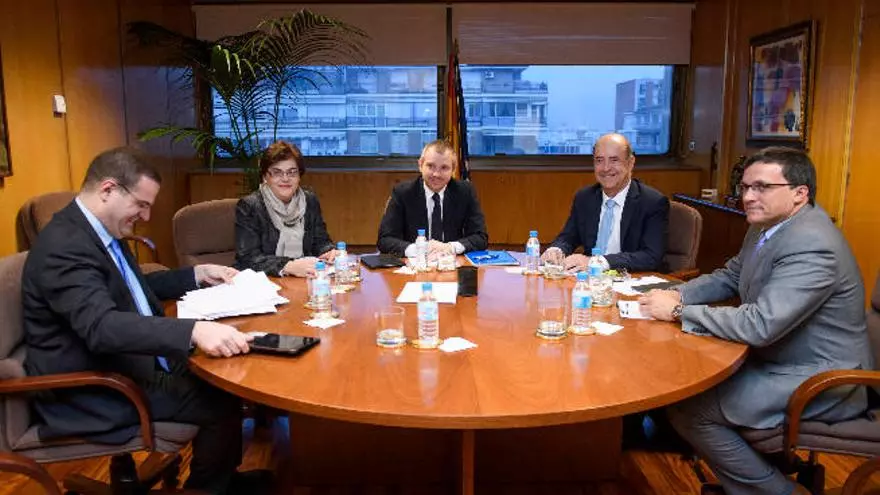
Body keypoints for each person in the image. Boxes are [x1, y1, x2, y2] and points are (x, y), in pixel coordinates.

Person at [22, 147, 268, 494]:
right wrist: (194, 330)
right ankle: (207, 488)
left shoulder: (98, 231)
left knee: (227, 378)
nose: (146, 215)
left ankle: (224, 481)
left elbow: (132, 288)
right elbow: (102, 327)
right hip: (94, 387)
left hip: (128, 361)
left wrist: (195, 274)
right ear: (108, 190)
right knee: (218, 400)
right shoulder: (64, 247)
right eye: (141, 204)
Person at [639, 147, 870, 495]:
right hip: (778, 359)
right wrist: (671, 293)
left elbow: (761, 324)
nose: (748, 196)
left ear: (799, 193)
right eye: (745, 187)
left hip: (822, 379)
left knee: (690, 408)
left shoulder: (813, 244)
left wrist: (676, 312)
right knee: (679, 378)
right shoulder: (767, 225)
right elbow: (730, 276)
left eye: (762, 187)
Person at [541, 133, 669, 272]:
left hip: (629, 278)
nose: (606, 168)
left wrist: (598, 262)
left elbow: (651, 256)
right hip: (589, 279)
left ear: (630, 163)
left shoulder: (652, 202)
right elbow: (568, 237)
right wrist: (556, 250)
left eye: (614, 160)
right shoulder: (585, 198)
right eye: (599, 160)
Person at [235, 140, 337, 277]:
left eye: (292, 172)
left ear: (299, 176)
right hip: (267, 281)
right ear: (265, 176)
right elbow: (248, 258)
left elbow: (321, 241)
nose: (285, 178)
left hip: (305, 277)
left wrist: (329, 252)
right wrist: (288, 266)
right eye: (277, 173)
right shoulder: (250, 206)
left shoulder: (309, 200)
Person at [377, 139, 488, 257]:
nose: (436, 174)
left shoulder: (465, 192)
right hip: (416, 264)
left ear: (453, 169)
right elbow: (385, 240)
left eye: (444, 168)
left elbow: (480, 238)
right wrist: (419, 249)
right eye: (430, 166)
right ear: (420, 165)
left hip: (451, 262)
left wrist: (450, 247)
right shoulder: (403, 193)